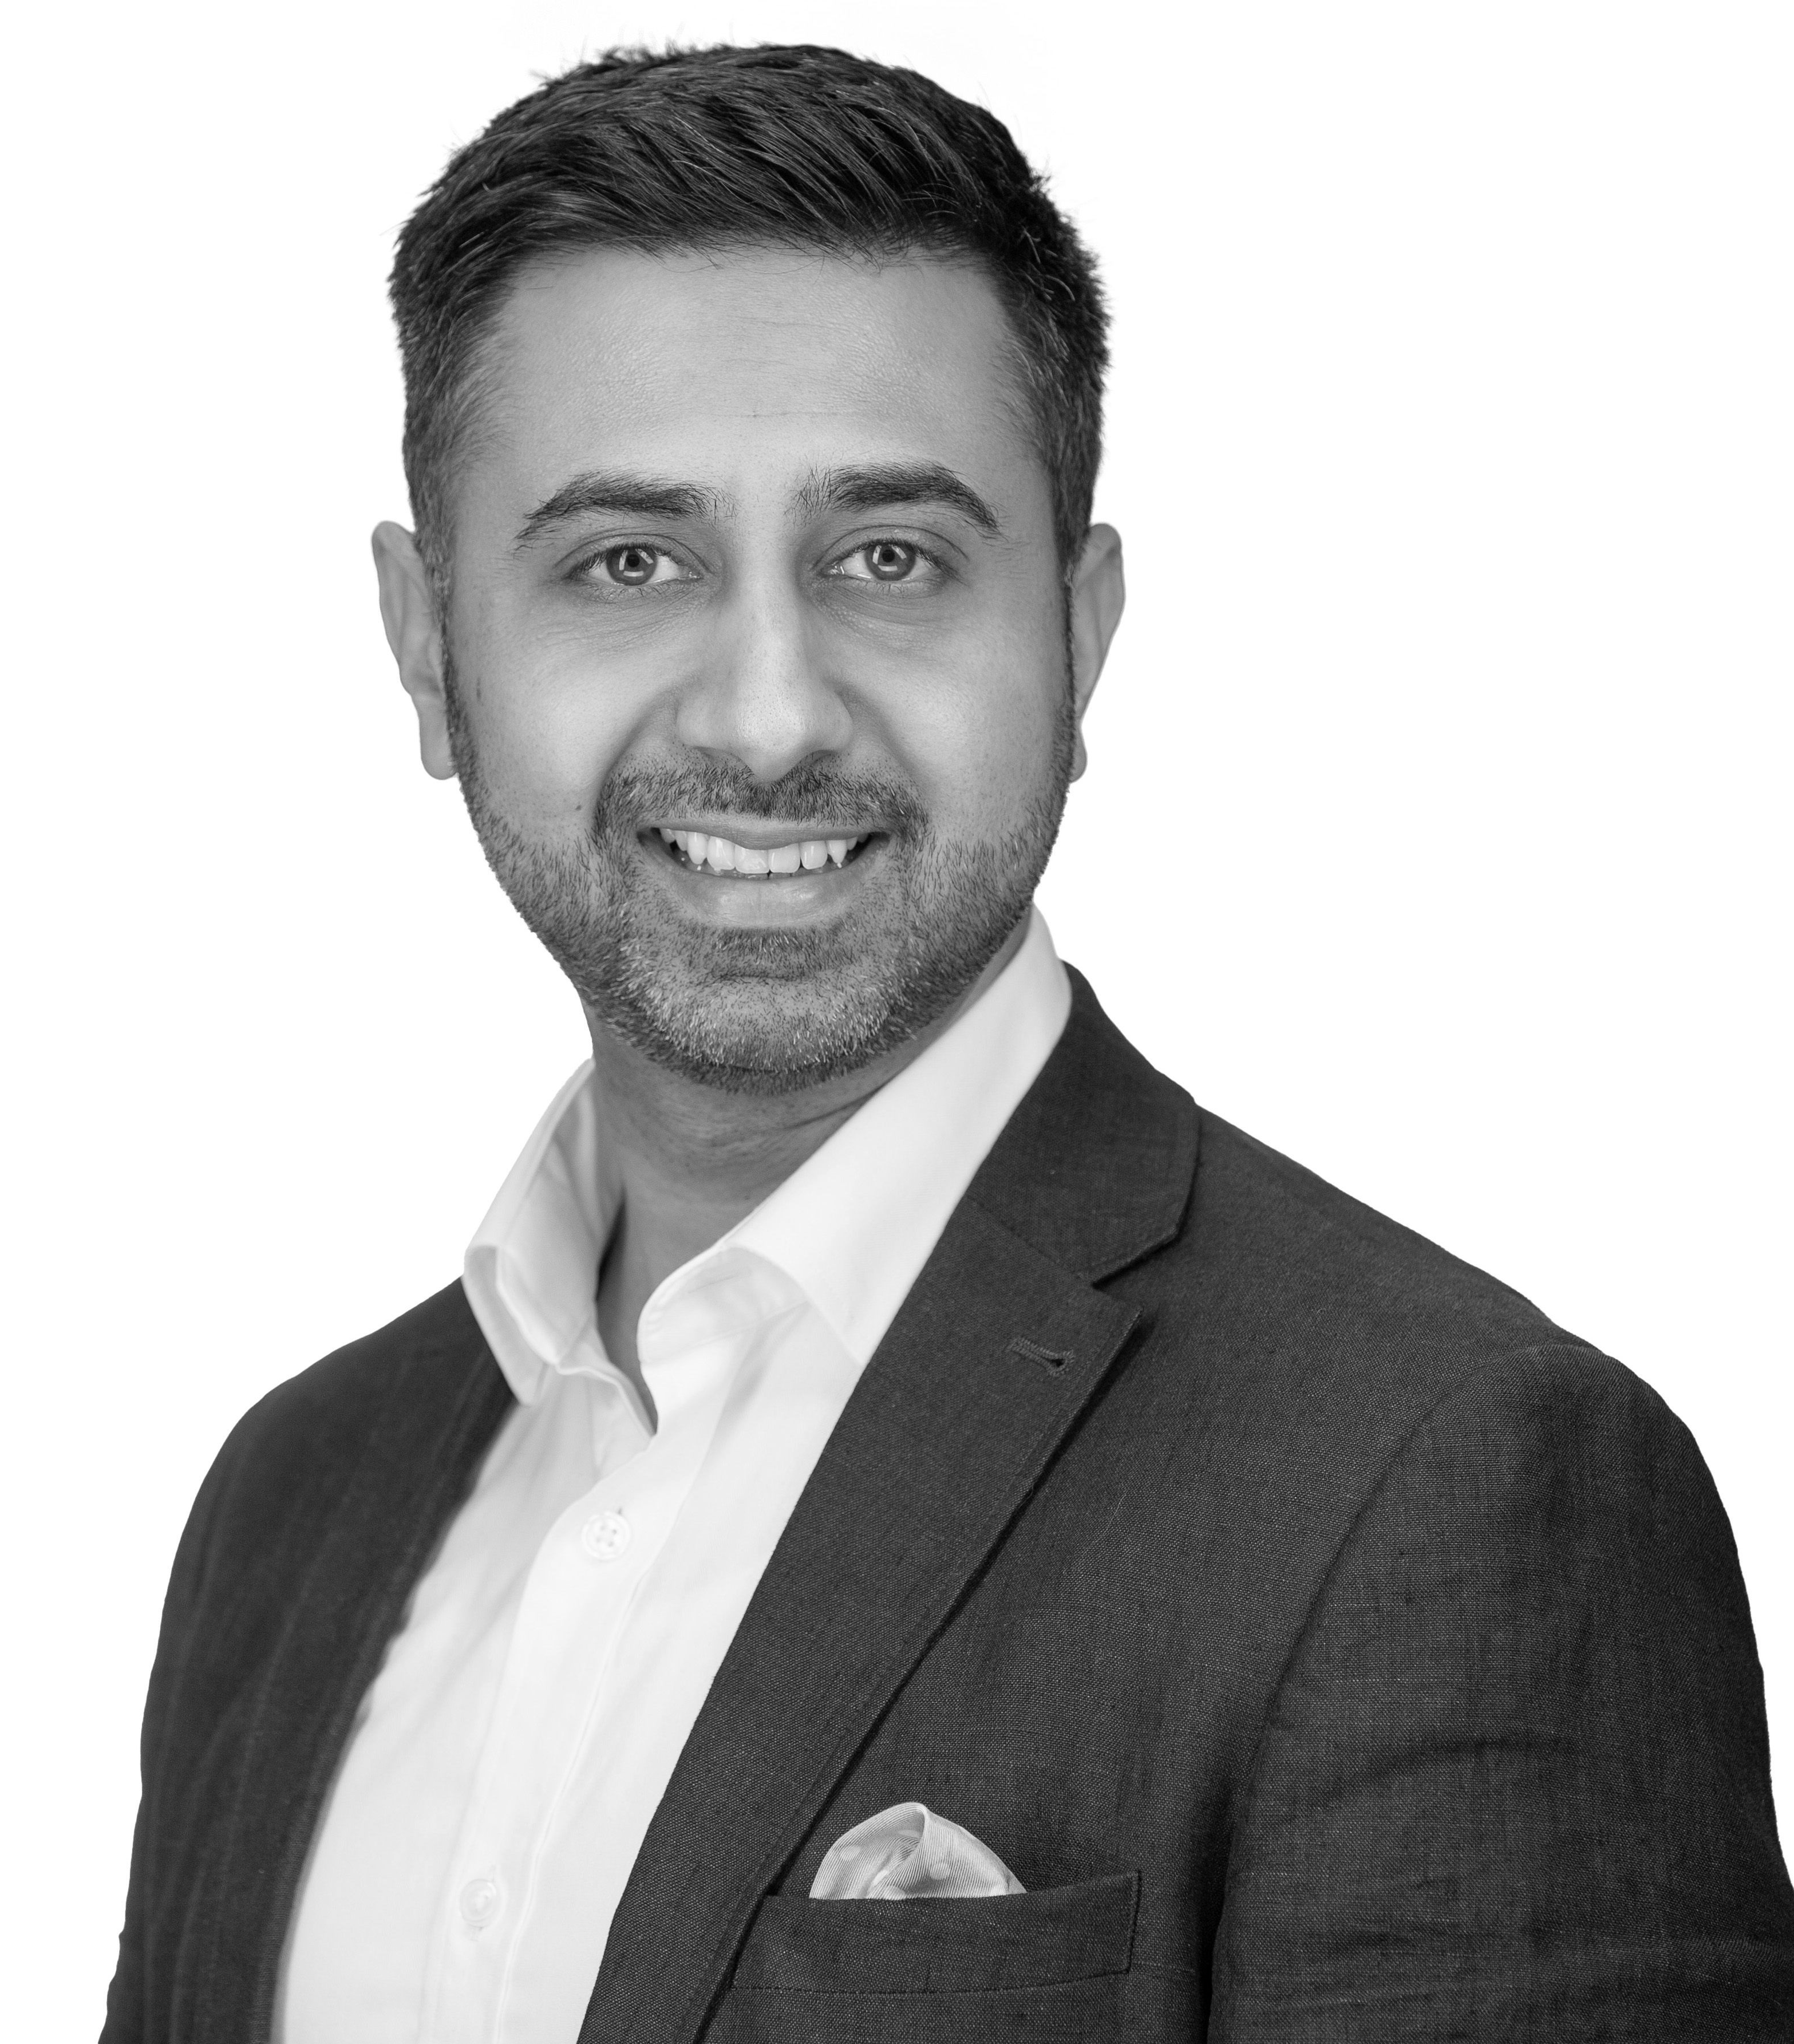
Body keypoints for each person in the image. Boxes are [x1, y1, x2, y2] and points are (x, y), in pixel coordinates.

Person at [100, 43, 1794, 2044]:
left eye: (889, 558)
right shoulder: (292, 1503)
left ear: (1081, 633)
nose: (766, 716)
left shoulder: (1457, 1482)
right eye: (626, 562)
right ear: (425, 643)